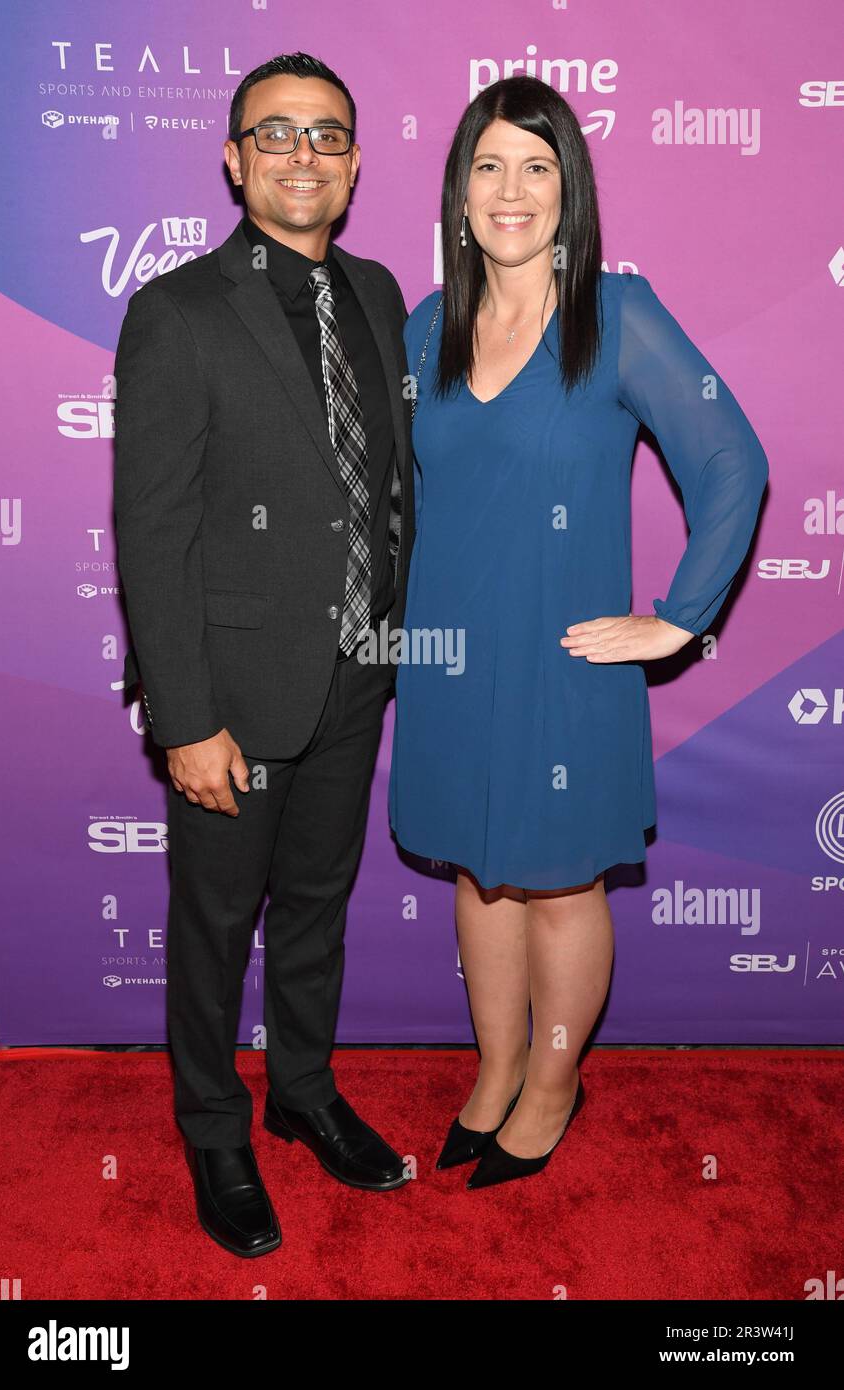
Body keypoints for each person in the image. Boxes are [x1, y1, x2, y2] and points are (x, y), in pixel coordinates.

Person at [389, 75, 769, 1190]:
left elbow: (729, 461)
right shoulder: (426, 327)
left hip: (566, 664)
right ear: (459, 190)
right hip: (449, 660)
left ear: (569, 191)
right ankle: (495, 1068)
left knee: (557, 886)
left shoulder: (618, 314)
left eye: (536, 166)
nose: (511, 190)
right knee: (476, 872)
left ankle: (553, 1085)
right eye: (489, 165)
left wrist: (678, 619)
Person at [113, 51, 415, 1258]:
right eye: (274, 135)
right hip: (232, 692)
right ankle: (213, 1126)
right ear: (234, 161)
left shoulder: (385, 294)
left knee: (318, 907)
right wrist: (183, 718)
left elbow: (385, 488)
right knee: (213, 919)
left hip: (354, 673)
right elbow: (154, 527)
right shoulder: (179, 311)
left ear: (353, 162)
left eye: (326, 135)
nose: (303, 155)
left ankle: (300, 1089)